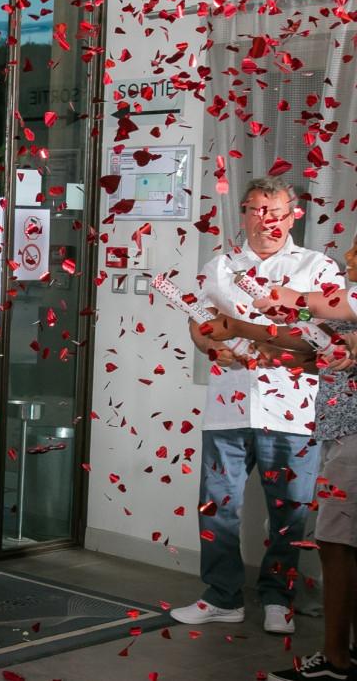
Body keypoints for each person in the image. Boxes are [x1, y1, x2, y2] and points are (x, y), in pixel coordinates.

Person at [171, 176, 342, 634]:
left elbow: (318, 339)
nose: (267, 221)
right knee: (217, 505)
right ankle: (222, 596)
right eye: (257, 210)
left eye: (277, 211)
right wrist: (212, 348)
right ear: (244, 213)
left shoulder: (318, 268)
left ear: (293, 214)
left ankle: (277, 598)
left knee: (291, 508)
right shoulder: (219, 267)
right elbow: (199, 320)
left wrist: (247, 331)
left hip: (295, 408)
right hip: (228, 404)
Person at [236, 243, 357, 681]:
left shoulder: (350, 299)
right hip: (340, 433)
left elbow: (313, 310)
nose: (351, 253)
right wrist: (260, 339)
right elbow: (314, 341)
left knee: (334, 541)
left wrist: (279, 298)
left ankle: (336, 660)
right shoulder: (344, 305)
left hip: (353, 437)